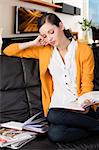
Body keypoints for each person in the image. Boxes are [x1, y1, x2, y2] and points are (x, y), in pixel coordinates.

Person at [3, 13, 99, 142]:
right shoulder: (44, 51)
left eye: (51, 32)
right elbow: (7, 51)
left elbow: (87, 82)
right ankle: (95, 127)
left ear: (61, 25)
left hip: (80, 107)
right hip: (58, 108)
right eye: (45, 35)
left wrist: (84, 104)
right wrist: (33, 43)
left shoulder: (84, 50)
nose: (49, 38)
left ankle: (92, 123)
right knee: (55, 134)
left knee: (53, 115)